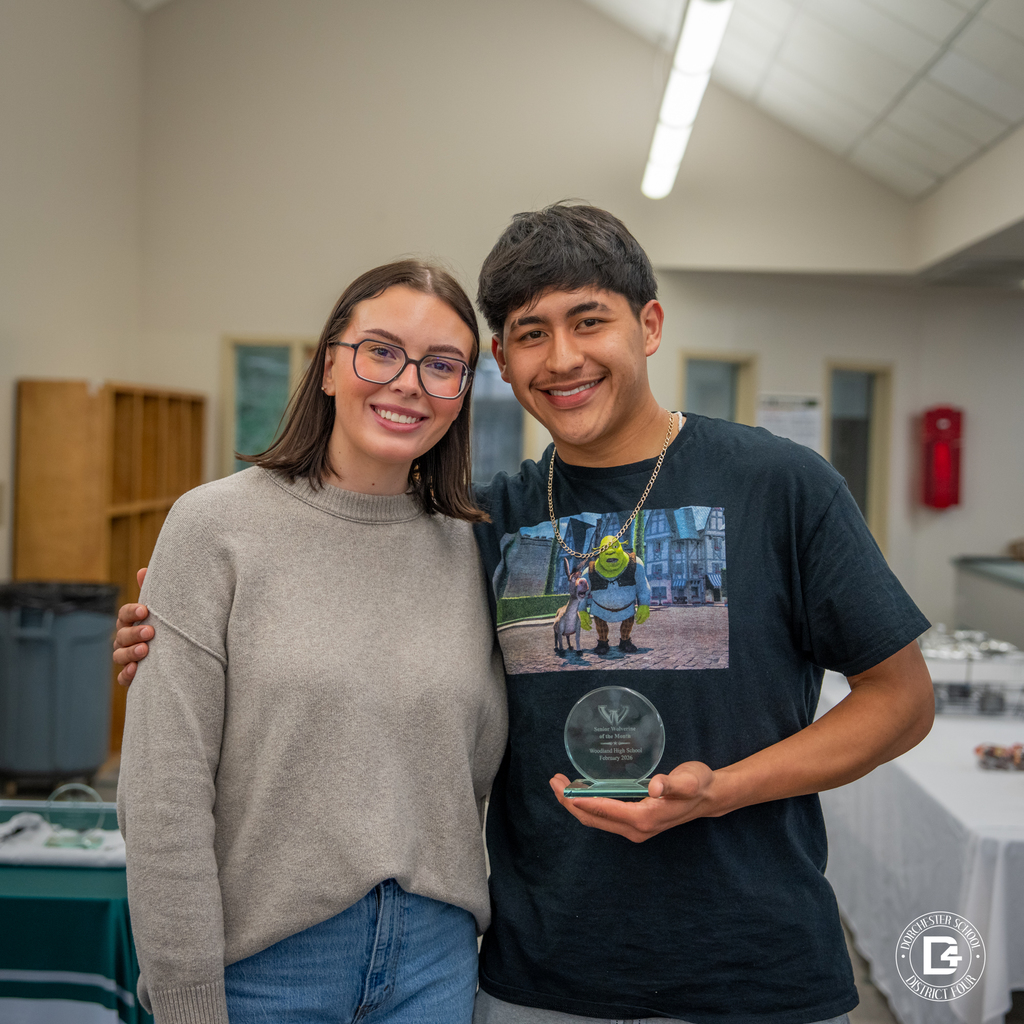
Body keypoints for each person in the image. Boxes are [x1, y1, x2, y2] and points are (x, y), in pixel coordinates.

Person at [116, 203, 935, 1024]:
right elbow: (349, 607)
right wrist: (182, 635)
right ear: (503, 361)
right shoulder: (488, 522)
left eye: (590, 321)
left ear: (648, 325)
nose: (564, 357)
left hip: (758, 974)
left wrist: (720, 790)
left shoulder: (780, 484)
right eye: (531, 333)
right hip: (539, 981)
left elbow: (901, 701)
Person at [115, 260, 507, 1024]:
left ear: (463, 394)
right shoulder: (213, 528)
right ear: (329, 364)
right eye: (381, 350)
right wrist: (187, 999)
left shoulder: (478, 552)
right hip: (264, 969)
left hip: (437, 963)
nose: (408, 383)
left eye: (443, 366)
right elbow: (164, 798)